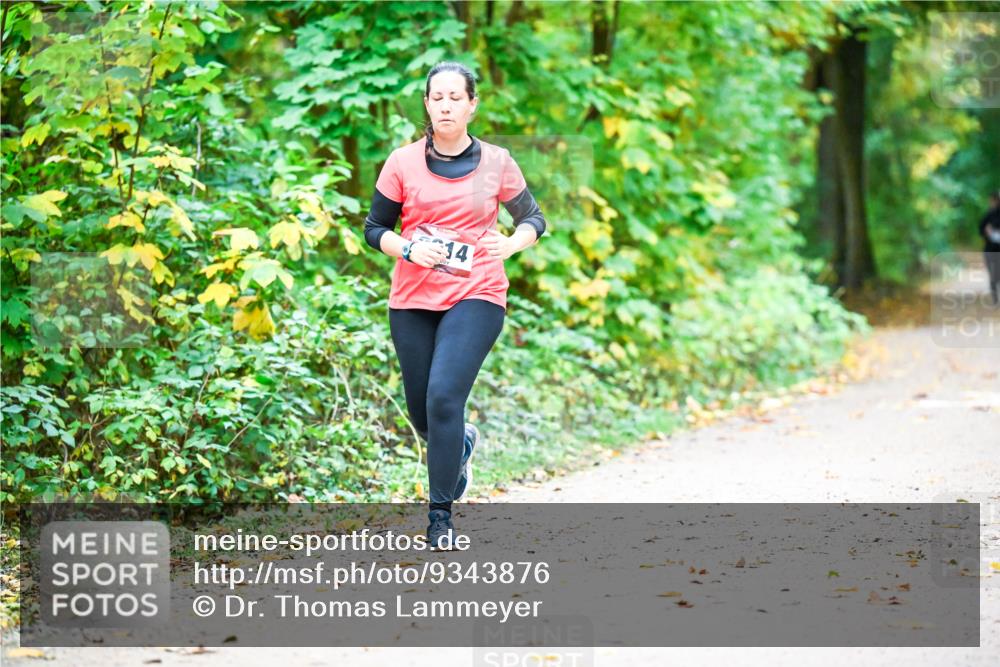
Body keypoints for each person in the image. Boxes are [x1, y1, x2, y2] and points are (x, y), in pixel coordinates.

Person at [363, 61, 546, 550]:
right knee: (423, 412)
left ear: (471, 105)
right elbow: (374, 229)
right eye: (437, 97)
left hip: (477, 292)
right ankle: (461, 443)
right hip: (413, 298)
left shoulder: (497, 162)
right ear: (427, 104)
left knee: (444, 397)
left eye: (455, 97)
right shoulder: (402, 163)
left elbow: (533, 218)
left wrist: (512, 244)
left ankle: (440, 518)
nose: (445, 105)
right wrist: (407, 249)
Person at [979, 190, 1000, 305]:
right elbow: (981, 230)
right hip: (990, 249)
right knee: (992, 274)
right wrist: (986, 231)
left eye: (993, 200)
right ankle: (995, 298)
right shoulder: (987, 215)